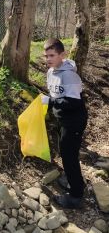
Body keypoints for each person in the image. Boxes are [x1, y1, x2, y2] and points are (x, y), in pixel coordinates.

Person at [42, 38, 88, 209]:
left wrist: (51, 103)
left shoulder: (70, 75)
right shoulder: (51, 72)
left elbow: (74, 103)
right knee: (66, 152)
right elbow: (55, 96)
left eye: (52, 55)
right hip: (62, 119)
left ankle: (76, 194)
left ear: (62, 54)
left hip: (74, 121)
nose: (48, 59)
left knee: (69, 156)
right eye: (46, 55)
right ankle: (71, 177)